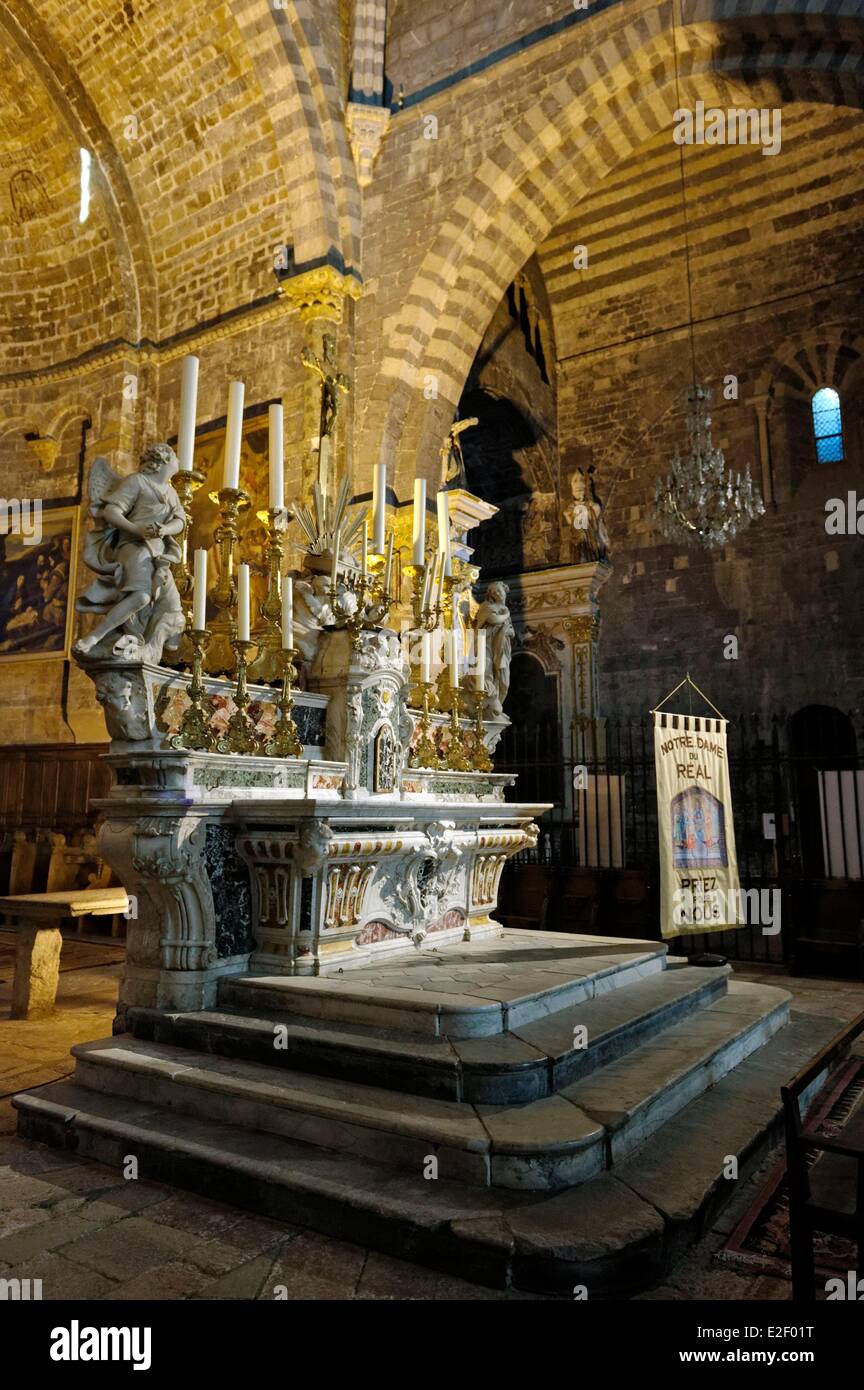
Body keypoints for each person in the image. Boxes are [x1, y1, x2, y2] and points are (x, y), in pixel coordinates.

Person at [75, 443, 186, 658]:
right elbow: (111, 511)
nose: (179, 462)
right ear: (162, 462)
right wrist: (137, 530)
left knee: (171, 605)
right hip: (133, 547)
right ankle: (95, 637)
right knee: (142, 597)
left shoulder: (171, 493)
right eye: (175, 458)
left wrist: (164, 529)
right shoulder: (137, 482)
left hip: (159, 553)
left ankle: (147, 643)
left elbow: (180, 521)